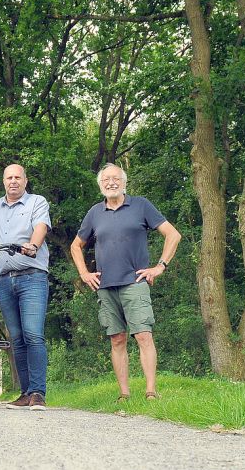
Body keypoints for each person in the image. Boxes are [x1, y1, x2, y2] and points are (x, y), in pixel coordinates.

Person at [70, 163, 181, 401]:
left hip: (135, 282)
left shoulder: (141, 205)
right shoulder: (94, 213)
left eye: (115, 178)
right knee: (117, 339)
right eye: (106, 180)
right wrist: (84, 273)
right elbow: (76, 245)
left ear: (124, 182)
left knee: (143, 335)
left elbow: (173, 235)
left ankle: (151, 392)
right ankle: (124, 394)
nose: (111, 183)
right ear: (100, 185)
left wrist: (160, 266)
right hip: (105, 285)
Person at [0, 164, 52, 411]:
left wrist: (33, 245)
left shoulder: (37, 202)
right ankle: (25, 392)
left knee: (33, 334)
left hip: (32, 277)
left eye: (17, 177)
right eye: (9, 177)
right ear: (3, 181)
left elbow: (40, 227)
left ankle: (39, 393)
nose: (13, 181)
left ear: (25, 180)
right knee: (17, 338)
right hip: (4, 280)